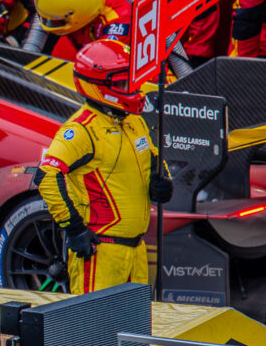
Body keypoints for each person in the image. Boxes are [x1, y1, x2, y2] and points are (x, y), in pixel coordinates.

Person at [37, 38, 172, 294]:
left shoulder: (134, 122)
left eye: (131, 81)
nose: (132, 88)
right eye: (123, 83)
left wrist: (163, 181)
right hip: (99, 252)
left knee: (136, 331)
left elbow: (154, 158)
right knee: (92, 331)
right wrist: (75, 229)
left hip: (136, 251)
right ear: (97, 86)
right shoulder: (81, 130)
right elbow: (47, 175)